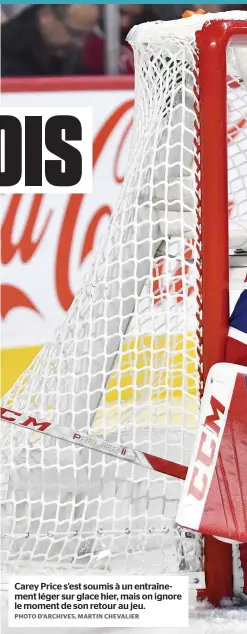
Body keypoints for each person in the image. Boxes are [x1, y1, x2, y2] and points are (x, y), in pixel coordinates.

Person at [1, 4, 100, 77]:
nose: (81, 43)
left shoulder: (69, 51)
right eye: (75, 33)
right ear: (46, 16)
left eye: (88, 35)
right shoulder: (6, 50)